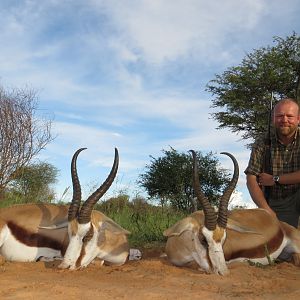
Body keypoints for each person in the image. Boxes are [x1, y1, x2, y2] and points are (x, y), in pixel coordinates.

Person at [245, 98, 300, 228]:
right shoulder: (262, 142)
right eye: (279, 116)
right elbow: (251, 178)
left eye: (290, 116)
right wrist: (266, 210)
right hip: (276, 202)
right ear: (273, 119)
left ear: (298, 119)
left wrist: (275, 179)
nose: (284, 120)